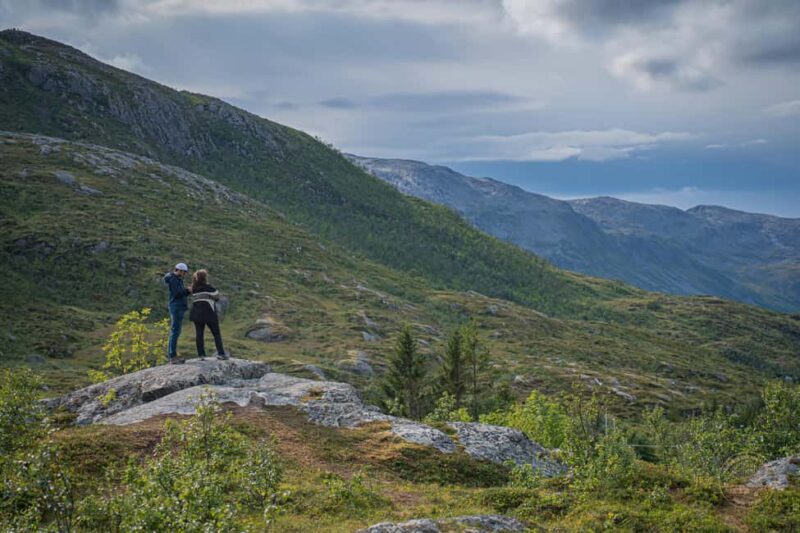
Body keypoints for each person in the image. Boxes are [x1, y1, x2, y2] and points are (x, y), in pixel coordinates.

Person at [189, 269, 229, 360]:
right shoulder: (209, 288)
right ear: (205, 278)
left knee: (199, 334)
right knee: (216, 334)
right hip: (209, 314)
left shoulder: (194, 288)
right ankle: (221, 353)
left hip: (196, 314)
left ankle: (201, 355)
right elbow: (217, 297)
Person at [164, 262, 192, 364]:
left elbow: (179, 292)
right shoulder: (174, 279)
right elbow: (178, 293)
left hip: (177, 307)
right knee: (175, 331)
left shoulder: (174, 279)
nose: (184, 274)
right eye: (184, 272)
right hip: (177, 307)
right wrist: (188, 290)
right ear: (178, 270)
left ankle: (173, 355)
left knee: (175, 331)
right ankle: (172, 356)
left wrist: (186, 291)